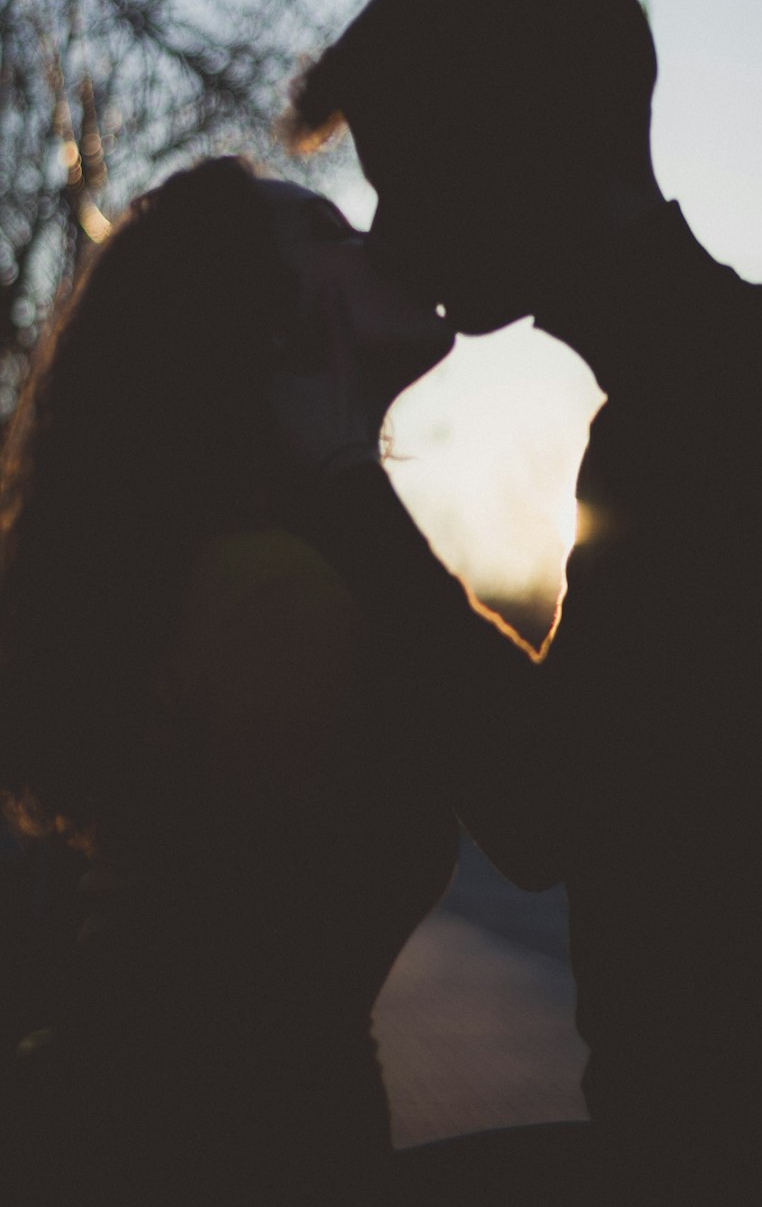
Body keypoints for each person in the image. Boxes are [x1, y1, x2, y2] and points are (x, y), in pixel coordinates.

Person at [279, 0, 762, 1201]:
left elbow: (540, 803)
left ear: (513, 144)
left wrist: (343, 491)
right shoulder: (748, 369)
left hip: (761, 1149)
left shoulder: (719, 402)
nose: (389, 226)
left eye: (405, 174)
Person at [0, 156, 457, 1205]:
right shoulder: (270, 585)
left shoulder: (259, 558)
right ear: (270, 322)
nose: (381, 240)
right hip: (214, 1145)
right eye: (333, 232)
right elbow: (248, 990)